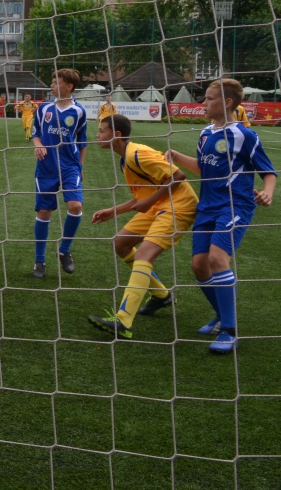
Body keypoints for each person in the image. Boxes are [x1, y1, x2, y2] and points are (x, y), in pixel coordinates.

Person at [165, 78, 275, 354]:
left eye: (209, 99)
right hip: (207, 206)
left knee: (217, 259)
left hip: (234, 204)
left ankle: (229, 330)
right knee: (199, 266)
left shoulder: (243, 135)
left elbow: (267, 171)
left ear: (226, 102)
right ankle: (221, 315)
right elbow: (204, 168)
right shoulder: (205, 134)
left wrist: (268, 191)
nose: (203, 103)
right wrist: (177, 156)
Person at [86, 114, 197, 340]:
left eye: (102, 131)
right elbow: (143, 196)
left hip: (179, 205)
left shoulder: (138, 153)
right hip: (159, 204)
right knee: (121, 243)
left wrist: (147, 202)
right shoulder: (124, 158)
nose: (97, 135)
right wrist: (113, 210)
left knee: (144, 254)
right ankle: (161, 294)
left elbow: (178, 175)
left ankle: (124, 320)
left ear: (116, 135)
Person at [31, 69, 87, 279]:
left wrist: (80, 167)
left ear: (69, 86)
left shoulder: (78, 112)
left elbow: (82, 143)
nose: (52, 86)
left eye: (56, 82)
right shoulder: (44, 108)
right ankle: (39, 261)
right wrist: (38, 145)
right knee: (44, 212)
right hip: (46, 166)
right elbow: (35, 131)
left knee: (75, 205)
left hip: (69, 165)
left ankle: (64, 250)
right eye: (52, 81)